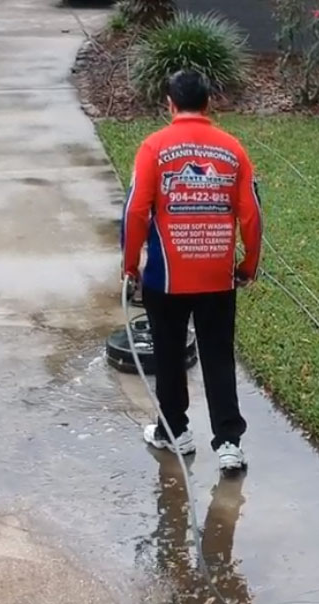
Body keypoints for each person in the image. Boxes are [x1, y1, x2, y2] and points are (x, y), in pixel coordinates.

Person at [121, 69, 262, 471]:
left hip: (166, 278)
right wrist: (248, 265)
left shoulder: (154, 147)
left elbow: (135, 211)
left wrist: (130, 265)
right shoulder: (232, 149)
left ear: (169, 104)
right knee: (217, 354)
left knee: (168, 355)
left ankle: (174, 433)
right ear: (209, 102)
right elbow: (251, 215)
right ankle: (229, 444)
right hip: (217, 276)